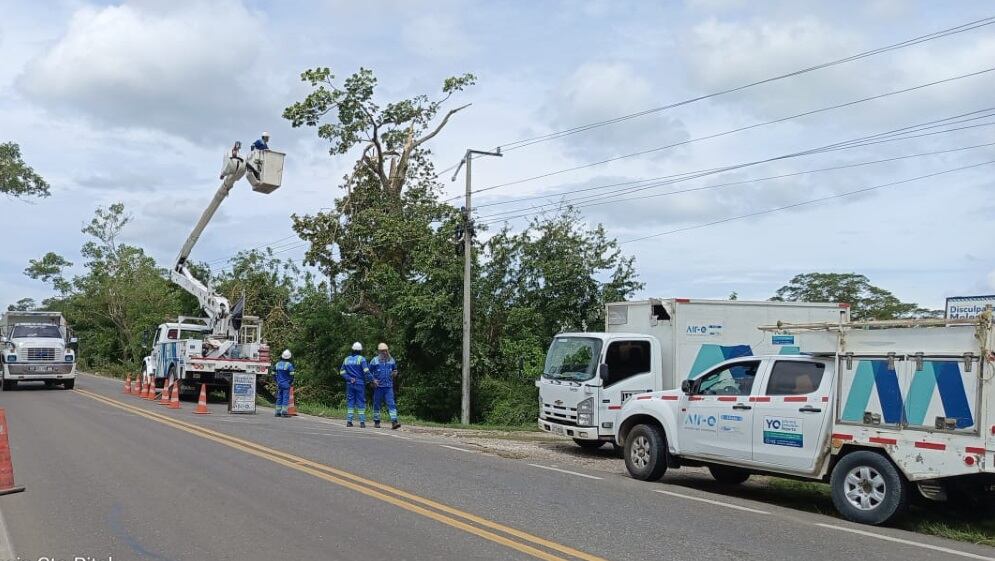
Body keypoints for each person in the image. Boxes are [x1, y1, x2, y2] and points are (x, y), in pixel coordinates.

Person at [369, 343, 400, 429]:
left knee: (391, 404)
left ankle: (394, 422)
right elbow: (368, 373)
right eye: (383, 351)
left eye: (386, 351)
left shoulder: (391, 360)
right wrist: (372, 380)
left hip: (388, 387)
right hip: (378, 387)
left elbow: (395, 370)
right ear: (379, 351)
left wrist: (395, 373)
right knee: (377, 404)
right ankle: (377, 422)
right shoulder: (374, 361)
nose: (385, 352)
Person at [340, 342, 371, 427]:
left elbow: (342, 372)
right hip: (359, 383)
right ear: (360, 351)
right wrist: (372, 380)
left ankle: (349, 421)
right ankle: (362, 422)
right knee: (360, 401)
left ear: (352, 350)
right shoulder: (362, 359)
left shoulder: (346, 359)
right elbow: (366, 371)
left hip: (350, 383)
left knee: (350, 402)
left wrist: (349, 378)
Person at [274, 349, 295, 418]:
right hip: (286, 384)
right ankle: (284, 412)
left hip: (279, 383)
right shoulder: (289, 365)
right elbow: (292, 375)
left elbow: (273, 373)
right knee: (285, 397)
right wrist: (290, 382)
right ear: (289, 357)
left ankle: (277, 412)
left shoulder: (277, 364)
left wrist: (276, 380)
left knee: (279, 397)